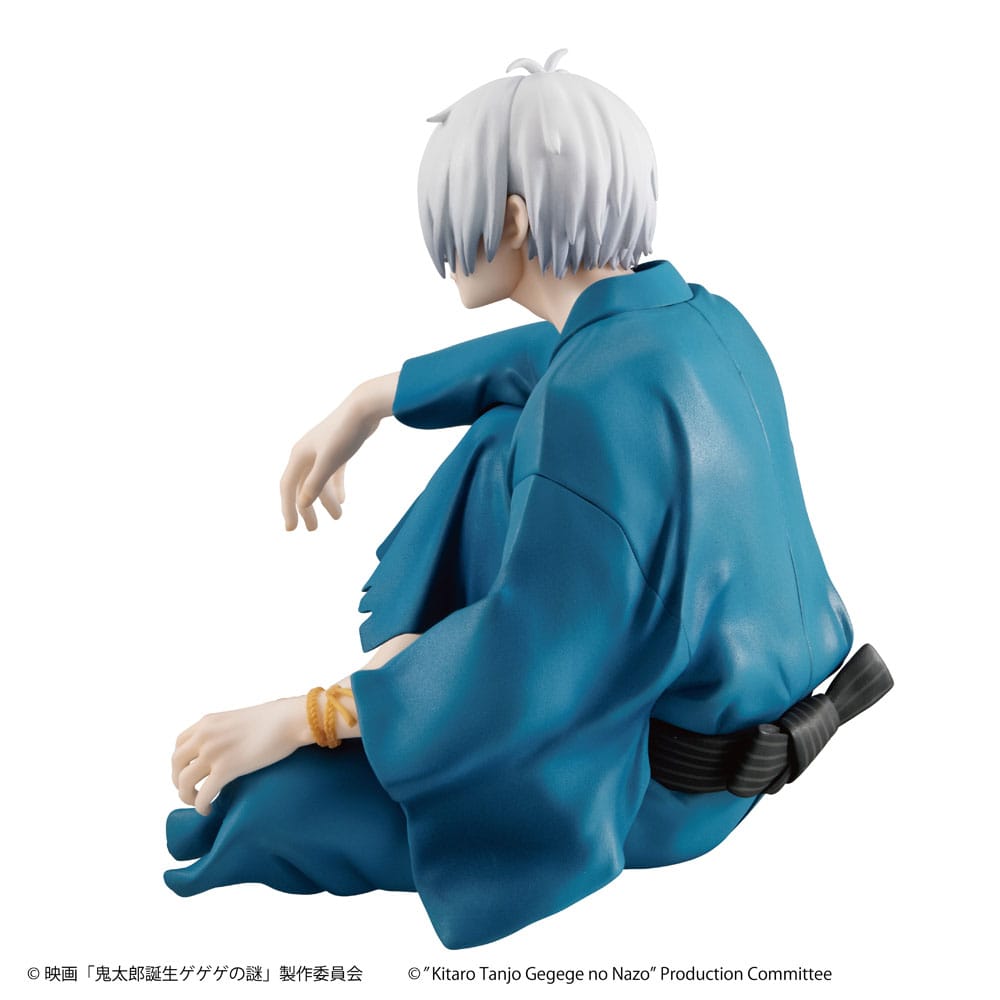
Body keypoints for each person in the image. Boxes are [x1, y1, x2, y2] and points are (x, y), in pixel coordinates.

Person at [166, 51, 880, 949]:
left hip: (657, 788)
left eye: (455, 221)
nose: (445, 254)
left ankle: (393, 696)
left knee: (268, 807)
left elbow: (525, 662)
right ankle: (410, 672)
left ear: (511, 218)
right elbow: (541, 360)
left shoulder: (589, 404)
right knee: (503, 434)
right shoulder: (706, 321)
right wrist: (370, 400)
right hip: (736, 719)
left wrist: (311, 715)